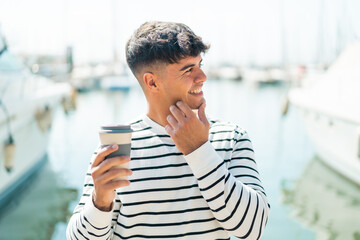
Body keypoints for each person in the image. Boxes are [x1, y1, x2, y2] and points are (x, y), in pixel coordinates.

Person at [67, 21, 270, 240]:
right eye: (188, 69)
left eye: (200, 64)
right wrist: (100, 203)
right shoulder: (119, 147)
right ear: (152, 82)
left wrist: (199, 150)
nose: (202, 77)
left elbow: (252, 229)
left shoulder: (232, 138)